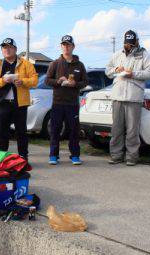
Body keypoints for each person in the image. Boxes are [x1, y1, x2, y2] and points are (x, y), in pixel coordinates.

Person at [105, 30, 150, 166]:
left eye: (132, 44)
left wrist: (133, 74)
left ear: (137, 42)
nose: (129, 46)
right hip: (117, 95)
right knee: (116, 129)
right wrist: (116, 70)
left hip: (134, 96)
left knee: (133, 129)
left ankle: (131, 157)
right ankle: (116, 156)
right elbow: (107, 70)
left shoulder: (144, 54)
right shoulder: (117, 54)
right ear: (124, 42)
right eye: (127, 43)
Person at [0, 38, 38, 161]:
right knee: (2, 132)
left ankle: (23, 158)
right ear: (2, 50)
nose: (7, 50)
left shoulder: (26, 64)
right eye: (4, 48)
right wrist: (3, 80)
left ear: (15, 49)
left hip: (20, 103)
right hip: (3, 102)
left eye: (10, 47)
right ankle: (2, 158)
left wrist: (23, 81)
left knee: (21, 131)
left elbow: (35, 80)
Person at [45, 35, 88, 165]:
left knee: (74, 130)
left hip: (72, 103)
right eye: (64, 45)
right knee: (55, 130)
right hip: (58, 102)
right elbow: (47, 80)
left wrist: (75, 84)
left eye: (68, 45)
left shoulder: (79, 65)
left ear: (73, 47)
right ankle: (53, 155)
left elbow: (85, 82)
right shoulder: (55, 63)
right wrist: (58, 81)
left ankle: (75, 155)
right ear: (61, 46)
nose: (66, 47)